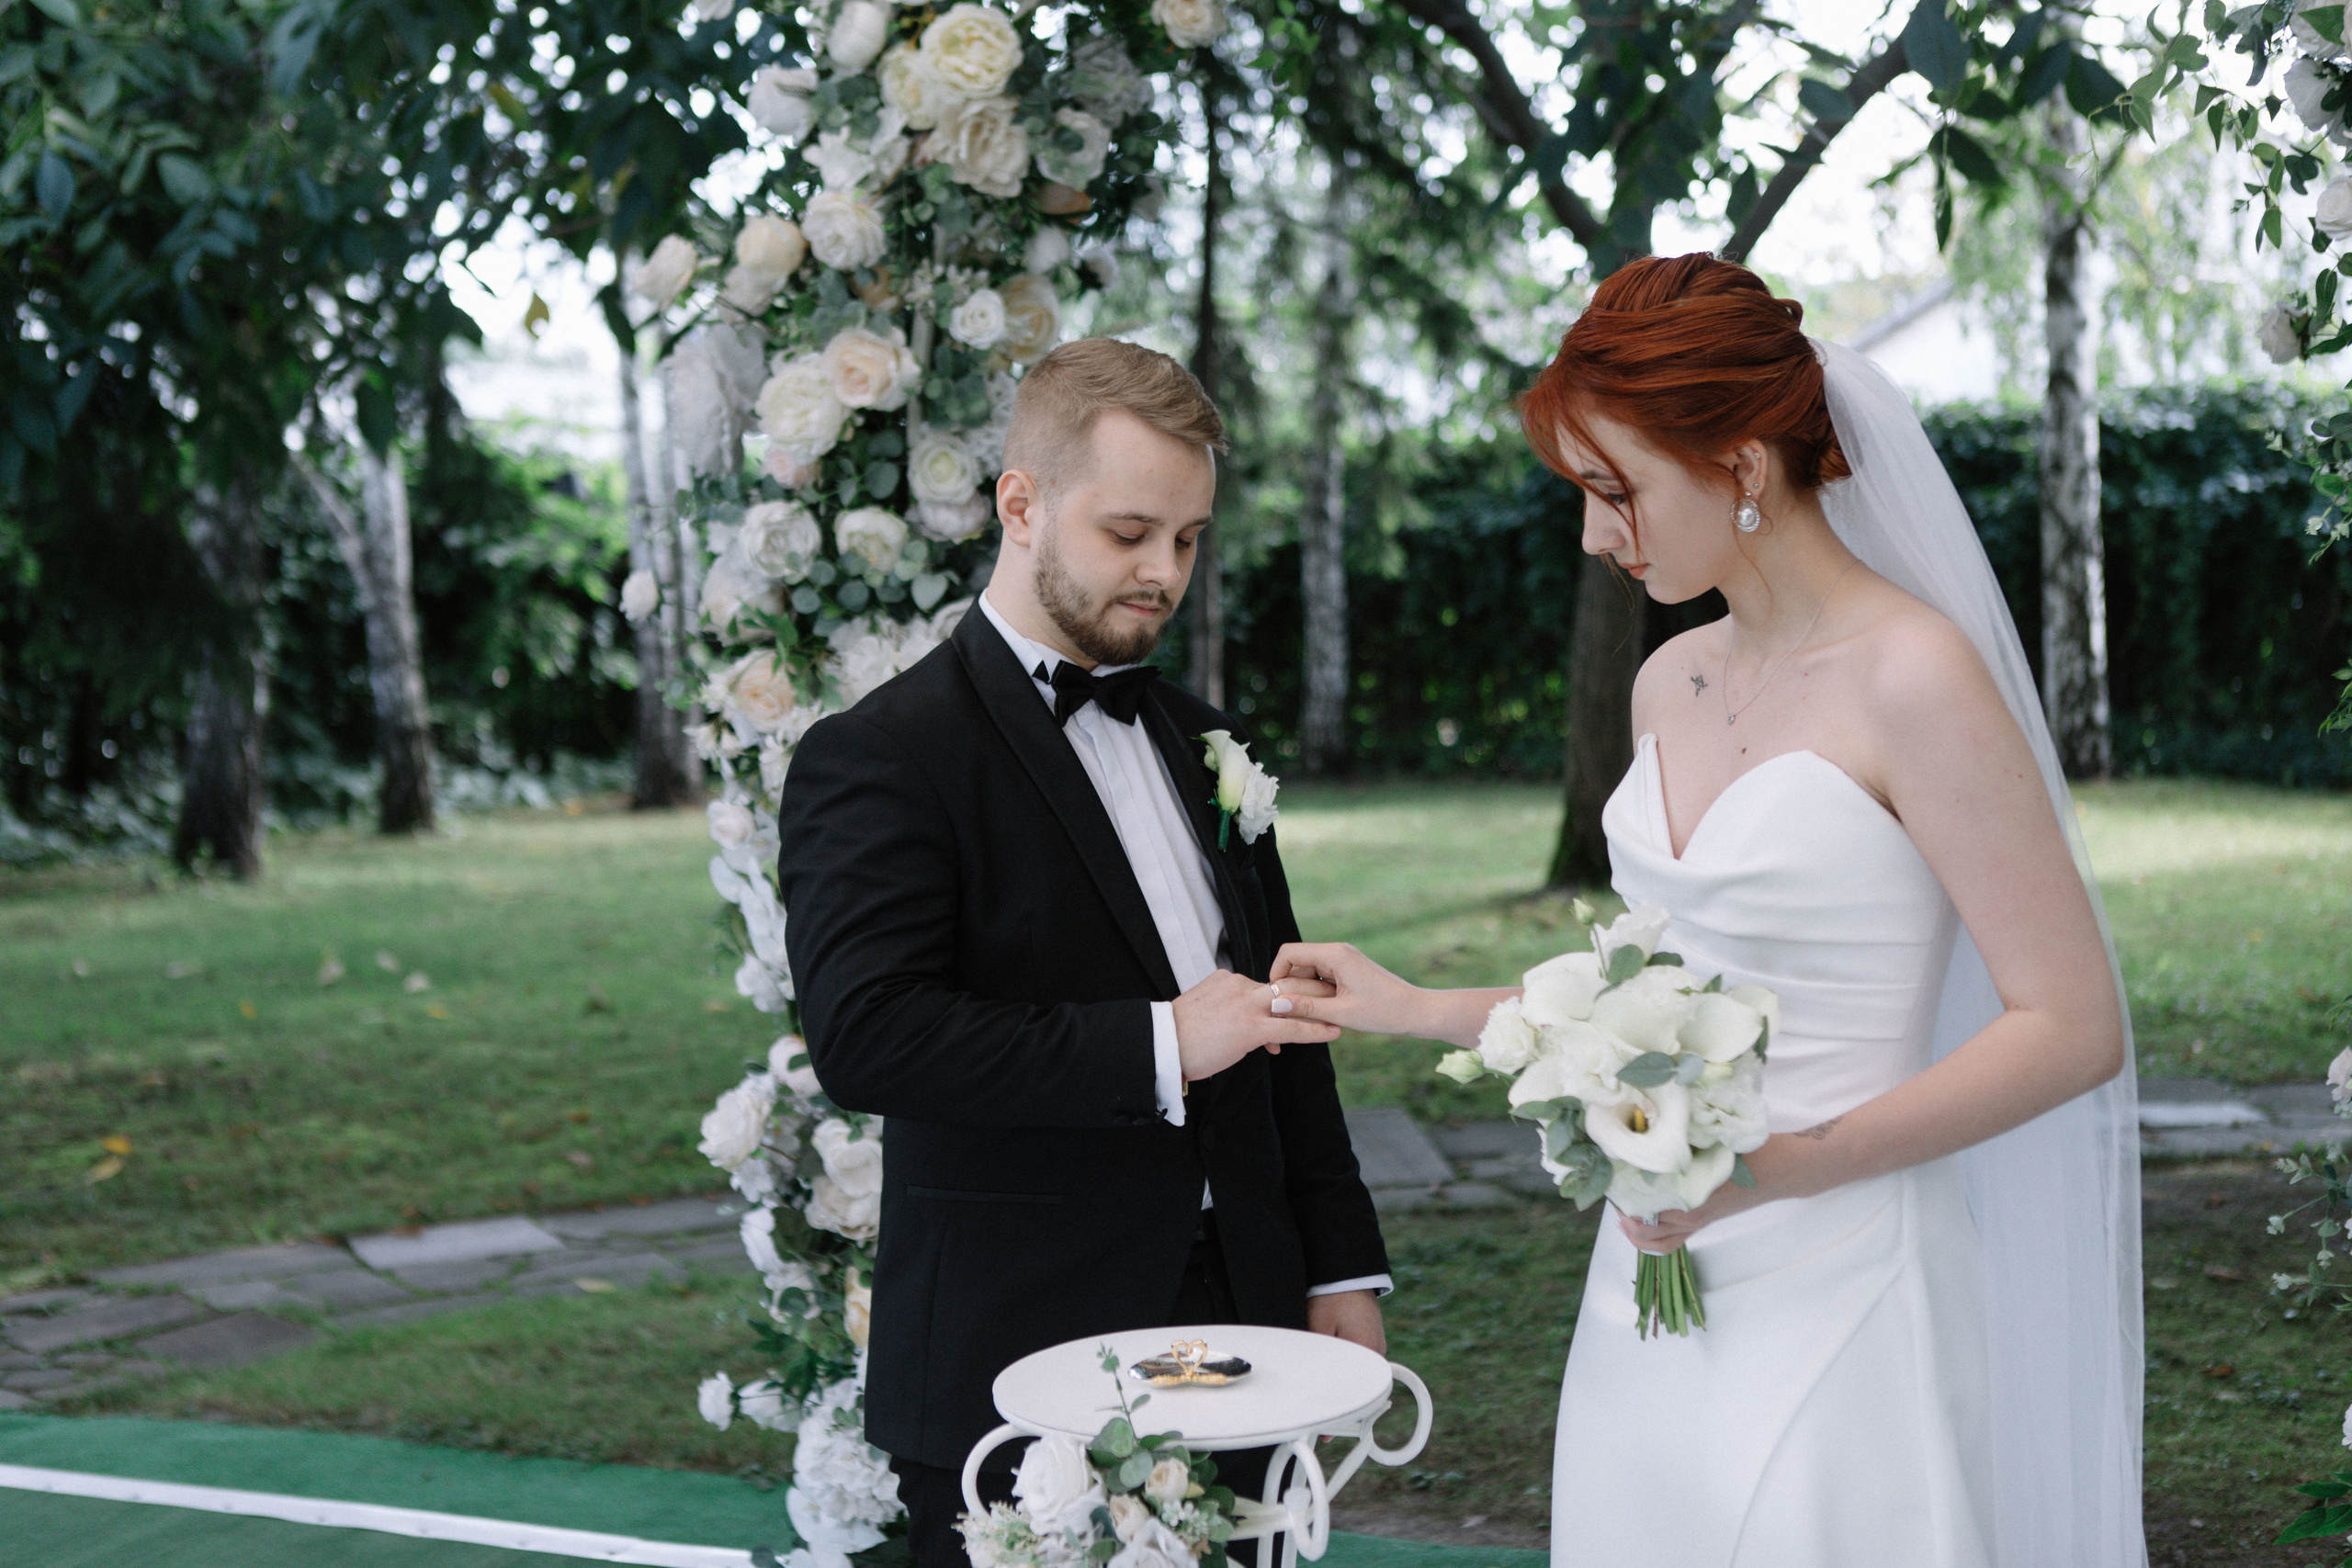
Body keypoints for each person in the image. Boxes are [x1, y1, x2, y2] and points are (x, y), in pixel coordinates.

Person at [1261, 255, 2146, 1567]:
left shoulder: (1916, 678)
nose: (1594, 533)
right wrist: (1405, 1005)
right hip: (1651, 1278)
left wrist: (1770, 1171)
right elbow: (1643, 1002)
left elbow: (2072, 1026)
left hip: (1848, 1280)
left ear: (1740, 462)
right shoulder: (1670, 680)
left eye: (1615, 491)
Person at [775, 337, 1393, 1568]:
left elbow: (1285, 1023)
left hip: (1250, 1346)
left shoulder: (1203, 738)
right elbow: (871, 1036)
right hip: (1018, 1365)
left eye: (1189, 538)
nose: (1165, 573)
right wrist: (1164, 1040)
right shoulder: (881, 756)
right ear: (1021, 501)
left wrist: (1344, 1270)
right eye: (1130, 533)